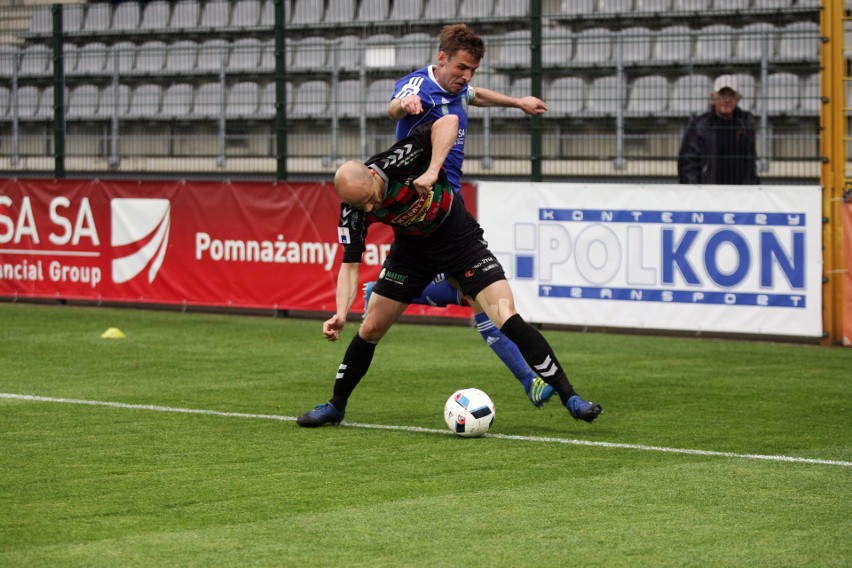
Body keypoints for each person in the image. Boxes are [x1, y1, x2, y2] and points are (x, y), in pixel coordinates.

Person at [296, 115, 602, 428]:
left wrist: (431, 171)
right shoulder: (353, 209)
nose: (371, 210)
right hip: (411, 252)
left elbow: (449, 121)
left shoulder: (401, 159)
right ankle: (336, 405)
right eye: (362, 206)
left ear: (373, 179)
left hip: (459, 240)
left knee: (506, 316)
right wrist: (341, 313)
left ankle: (571, 398)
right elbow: (349, 264)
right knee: (371, 327)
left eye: (370, 201)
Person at [375, 23, 554, 408]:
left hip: (450, 203)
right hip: (422, 203)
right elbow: (394, 105)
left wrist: (518, 102)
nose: (467, 76)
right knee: (478, 295)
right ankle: (529, 380)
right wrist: (402, 107)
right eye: (461, 67)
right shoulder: (417, 86)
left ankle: (393, 289)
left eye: (472, 69)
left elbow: (477, 96)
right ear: (441, 59)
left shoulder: (459, 87)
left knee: (470, 292)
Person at [677, 74, 760, 185]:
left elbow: (750, 164)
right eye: (722, 95)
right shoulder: (699, 126)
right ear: (713, 97)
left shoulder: (746, 125)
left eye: (731, 95)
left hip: (739, 192)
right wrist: (694, 191)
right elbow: (688, 164)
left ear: (737, 99)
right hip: (708, 192)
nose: (726, 100)